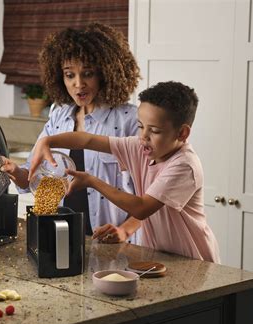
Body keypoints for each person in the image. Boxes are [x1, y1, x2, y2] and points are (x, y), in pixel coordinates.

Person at [28, 81, 220, 263]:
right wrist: (48, 141)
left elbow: (142, 208)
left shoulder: (184, 165)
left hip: (193, 260)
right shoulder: (140, 147)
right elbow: (87, 140)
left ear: (182, 133)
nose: (143, 136)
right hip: (159, 256)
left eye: (154, 130)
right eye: (140, 126)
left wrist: (92, 181)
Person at [1, 23, 142, 243]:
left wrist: (125, 230)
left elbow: (154, 199)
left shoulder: (130, 121)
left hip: (115, 241)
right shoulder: (59, 115)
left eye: (88, 74)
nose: (79, 84)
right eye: (69, 75)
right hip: (64, 235)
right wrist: (14, 171)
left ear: (105, 73)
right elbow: (31, 177)